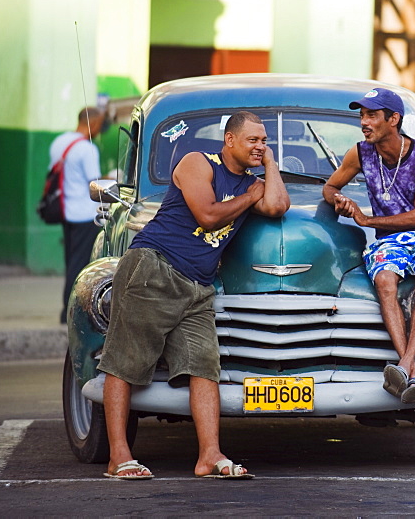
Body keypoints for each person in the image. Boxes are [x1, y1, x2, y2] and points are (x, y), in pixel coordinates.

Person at [97, 111, 289, 480]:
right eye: (253, 140)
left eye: (264, 141)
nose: (260, 146)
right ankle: (118, 456)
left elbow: (278, 205)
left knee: (204, 367)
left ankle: (209, 456)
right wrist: (250, 196)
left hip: (198, 285)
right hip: (155, 269)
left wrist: (270, 165)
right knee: (125, 362)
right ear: (229, 140)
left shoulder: (253, 181)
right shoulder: (197, 163)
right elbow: (207, 215)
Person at [323, 88, 415, 405]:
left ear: (394, 119)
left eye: (371, 115)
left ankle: (402, 365)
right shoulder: (360, 154)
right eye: (362, 115)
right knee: (385, 279)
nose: (364, 122)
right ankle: (411, 370)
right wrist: (340, 200)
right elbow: (330, 187)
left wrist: (366, 220)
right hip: (392, 239)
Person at [51, 107, 105, 324]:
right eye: (100, 123)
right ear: (93, 122)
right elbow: (95, 182)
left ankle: (66, 309)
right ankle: (71, 312)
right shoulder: (87, 149)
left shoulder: (60, 142)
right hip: (85, 214)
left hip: (65, 211)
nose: (101, 128)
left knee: (70, 261)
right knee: (81, 265)